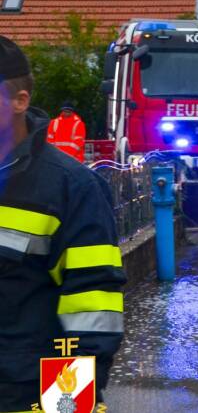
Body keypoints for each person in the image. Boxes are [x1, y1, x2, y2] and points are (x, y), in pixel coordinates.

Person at [0, 36, 126, 411]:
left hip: (22, 397)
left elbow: (91, 311)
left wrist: (65, 406)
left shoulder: (71, 189)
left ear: (19, 102)